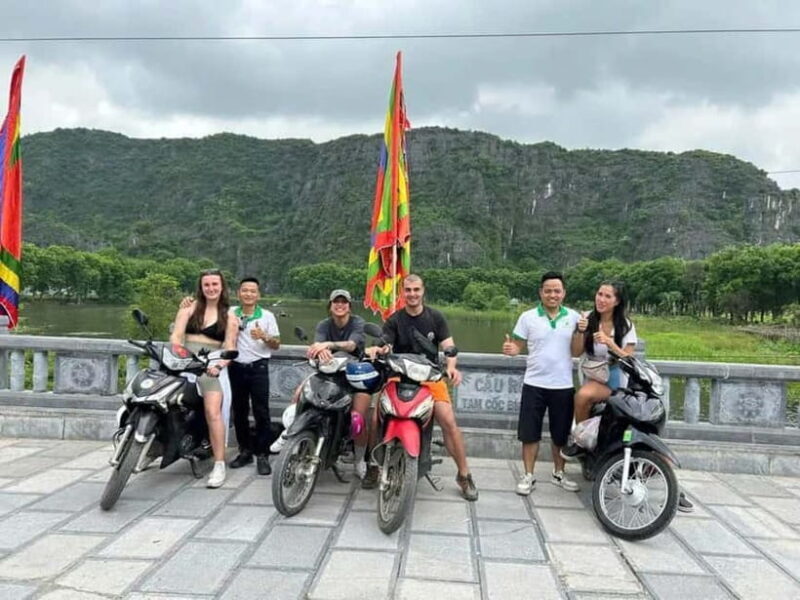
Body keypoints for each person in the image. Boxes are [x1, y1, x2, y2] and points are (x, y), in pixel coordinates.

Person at [563, 281, 694, 512]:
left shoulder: (625, 325)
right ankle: (581, 441)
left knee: (640, 431)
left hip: (621, 386)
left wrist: (610, 342)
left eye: (607, 296)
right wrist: (579, 331)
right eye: (599, 294)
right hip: (596, 380)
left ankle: (673, 488)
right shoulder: (587, 318)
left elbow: (629, 360)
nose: (601, 299)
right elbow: (575, 352)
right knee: (583, 395)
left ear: (617, 301)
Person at [365, 274, 478, 501]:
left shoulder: (435, 317)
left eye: (416, 290)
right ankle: (373, 465)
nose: (412, 294)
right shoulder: (395, 319)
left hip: (429, 377)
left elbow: (449, 347)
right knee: (377, 416)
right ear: (402, 292)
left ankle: (464, 474)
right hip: (399, 375)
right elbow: (384, 342)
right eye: (408, 290)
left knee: (447, 420)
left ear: (423, 291)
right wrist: (376, 350)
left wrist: (452, 366)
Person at [270, 289, 372, 478]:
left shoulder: (358, 323)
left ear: (349, 306)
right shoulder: (324, 325)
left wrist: (328, 345)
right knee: (300, 393)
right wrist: (320, 350)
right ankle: (289, 433)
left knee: (358, 416)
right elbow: (317, 347)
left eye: (344, 302)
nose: (340, 305)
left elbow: (351, 345)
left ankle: (359, 460)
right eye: (336, 302)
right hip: (328, 372)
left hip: (354, 375)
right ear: (330, 306)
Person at [502, 271, 581, 496]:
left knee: (560, 433)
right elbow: (518, 345)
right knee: (529, 433)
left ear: (563, 293)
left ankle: (559, 473)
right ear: (540, 292)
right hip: (534, 383)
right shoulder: (528, 317)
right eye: (548, 291)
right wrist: (511, 350)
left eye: (557, 291)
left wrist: (582, 331)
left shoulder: (575, 317)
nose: (552, 295)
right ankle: (528, 475)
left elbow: (578, 351)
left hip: (563, 385)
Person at [171, 269, 238, 488]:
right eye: (206, 285)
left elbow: (230, 348)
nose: (211, 289)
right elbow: (177, 336)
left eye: (215, 284)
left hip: (209, 365)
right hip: (183, 360)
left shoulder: (229, 316)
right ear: (201, 287)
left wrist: (219, 365)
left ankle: (219, 463)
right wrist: (178, 351)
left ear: (222, 287)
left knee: (213, 411)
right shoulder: (188, 308)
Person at [226, 277, 281, 476]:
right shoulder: (231, 313)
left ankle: (263, 454)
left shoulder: (266, 316)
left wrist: (264, 336)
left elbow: (276, 344)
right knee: (239, 411)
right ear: (238, 293)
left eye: (252, 291)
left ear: (258, 295)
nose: (248, 294)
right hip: (236, 368)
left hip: (258, 368)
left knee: (261, 411)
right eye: (245, 290)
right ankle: (245, 451)